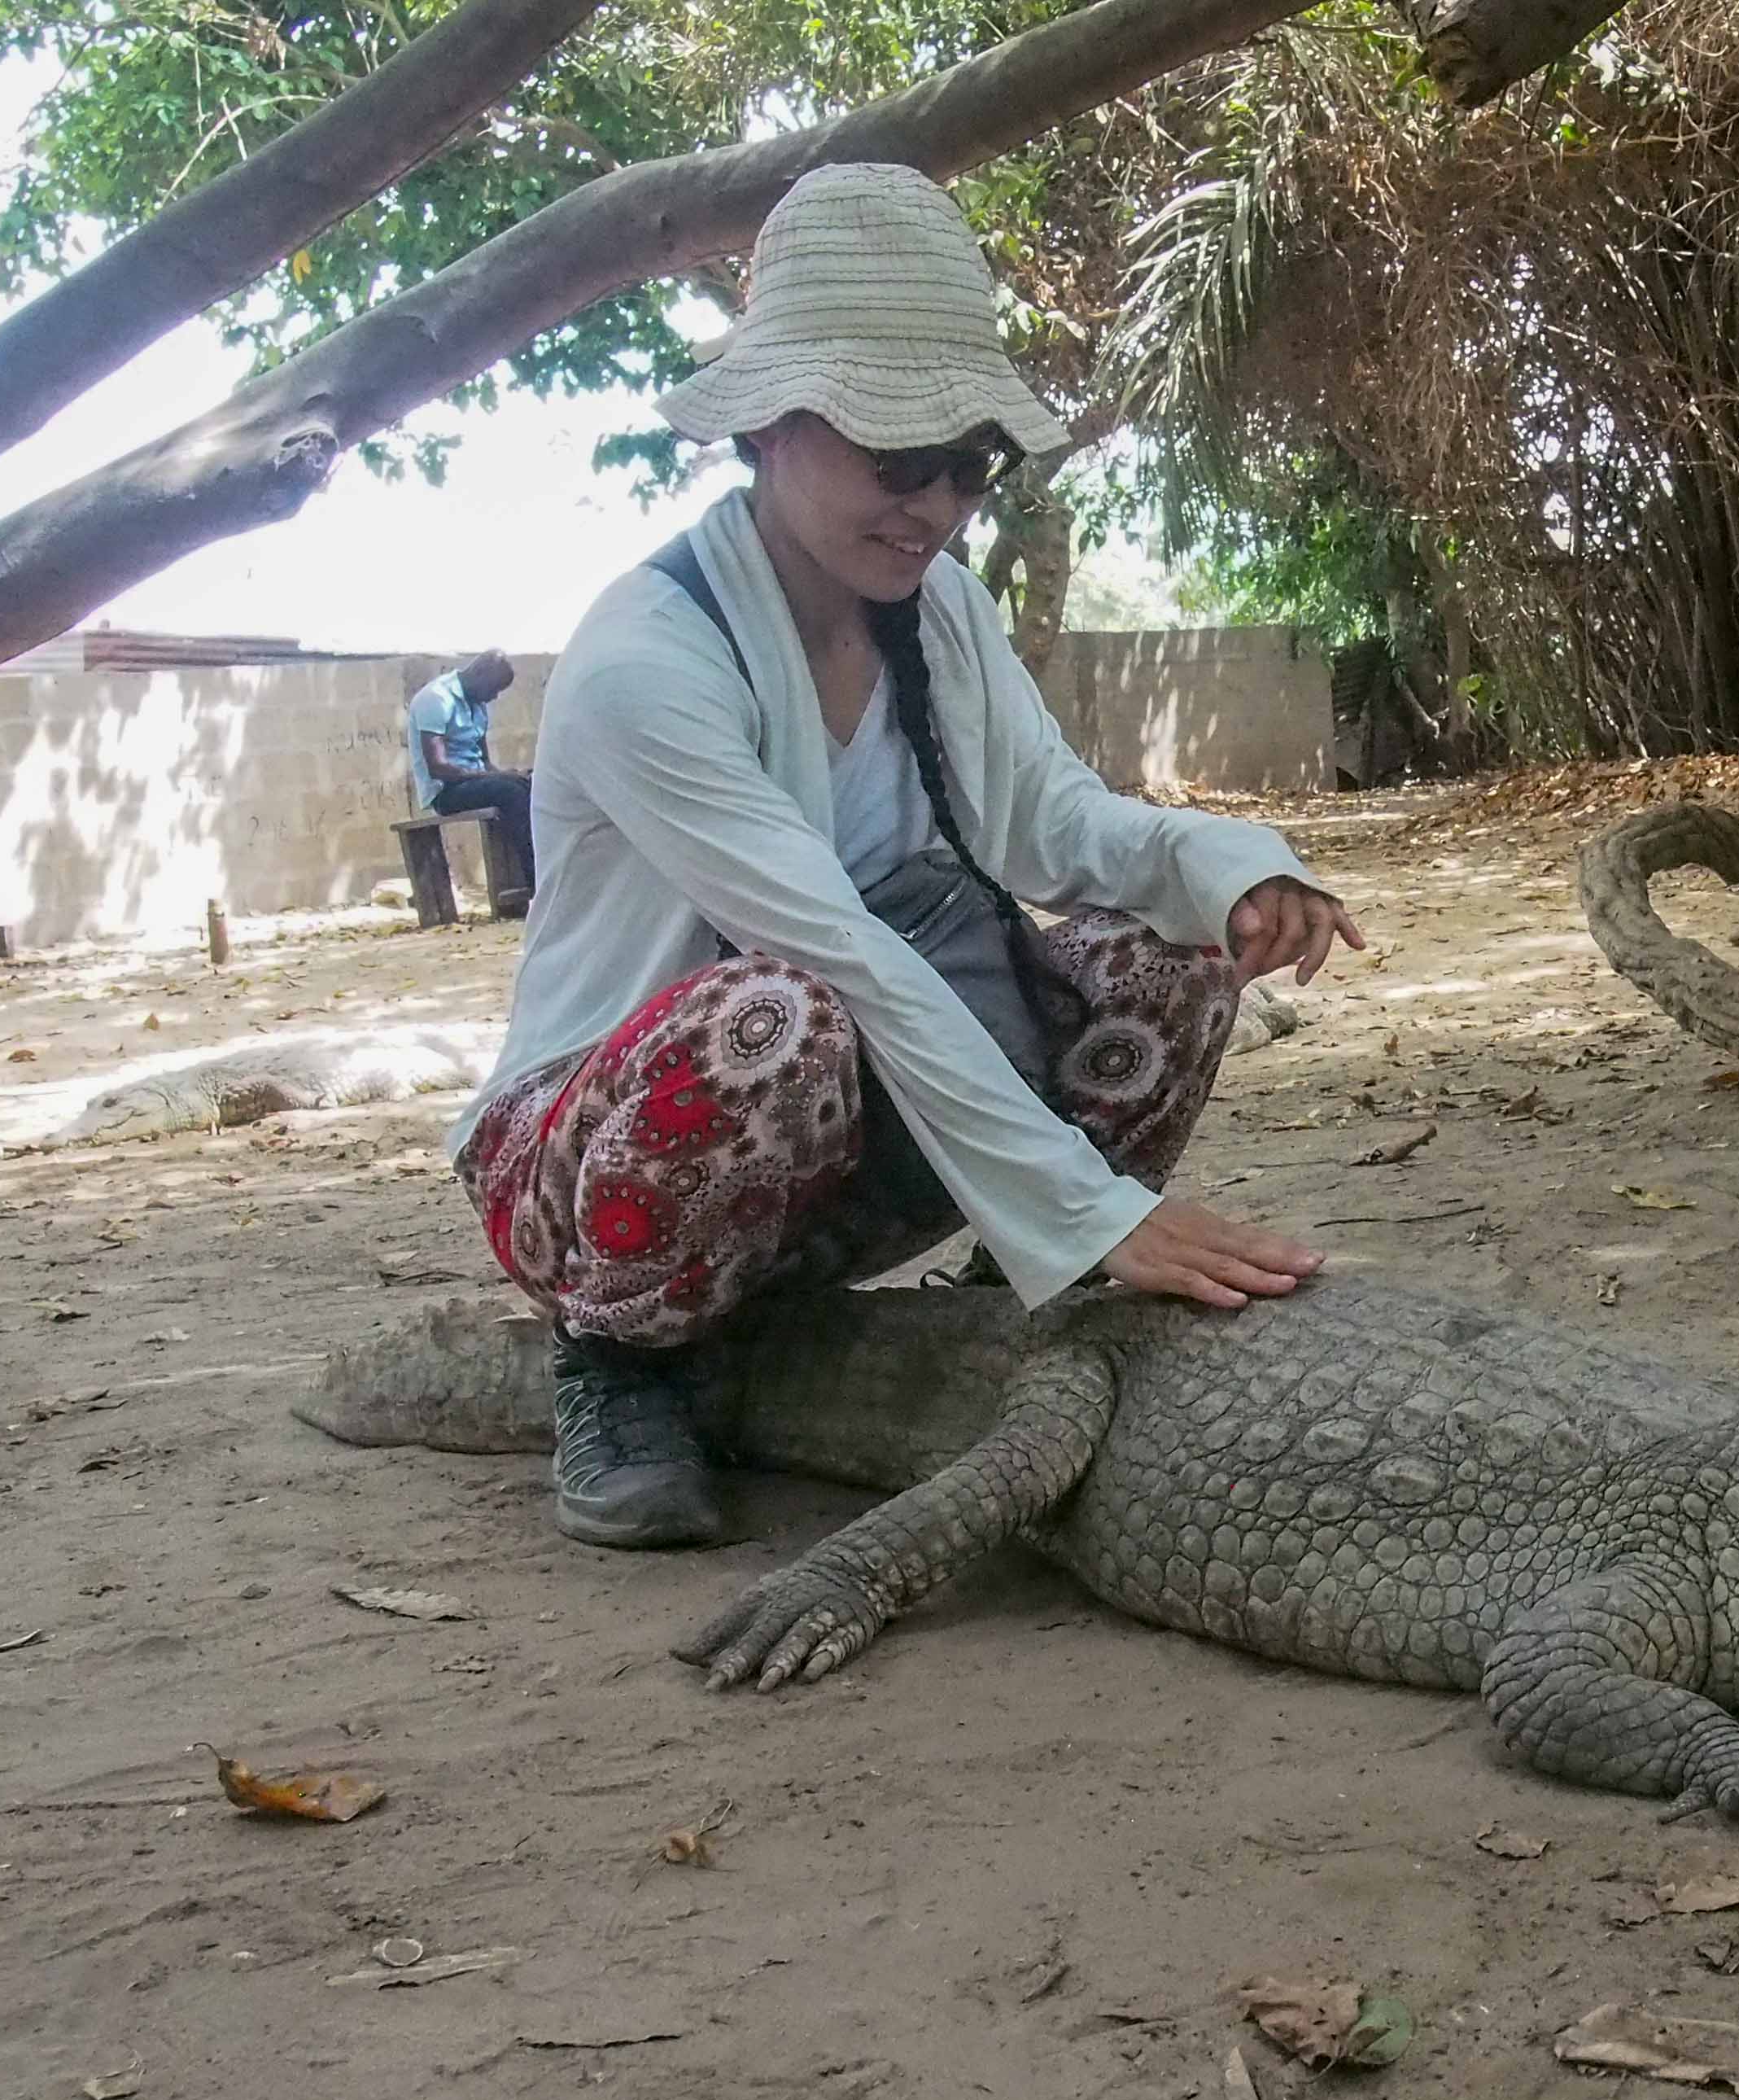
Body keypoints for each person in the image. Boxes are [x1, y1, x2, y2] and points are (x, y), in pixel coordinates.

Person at [448, 163, 1367, 1552]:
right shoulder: (649, 659)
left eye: (964, 464)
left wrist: (1238, 867)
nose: (932, 504)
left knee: (1169, 957)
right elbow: (837, 948)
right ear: (768, 424)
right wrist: (1094, 1206)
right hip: (604, 1172)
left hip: (838, 1143)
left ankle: (1009, 1313)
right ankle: (622, 1370)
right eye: (895, 457)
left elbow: (1061, 829)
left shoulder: (933, 611)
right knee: (779, 1017)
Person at [408, 650, 534, 909]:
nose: (494, 696)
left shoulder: (477, 704)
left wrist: (509, 775)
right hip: (446, 791)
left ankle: (533, 876)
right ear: (479, 675)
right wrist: (498, 778)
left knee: (529, 784)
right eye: (494, 689)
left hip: (475, 782)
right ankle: (536, 880)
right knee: (511, 792)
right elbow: (439, 768)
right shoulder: (436, 699)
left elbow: (484, 761)